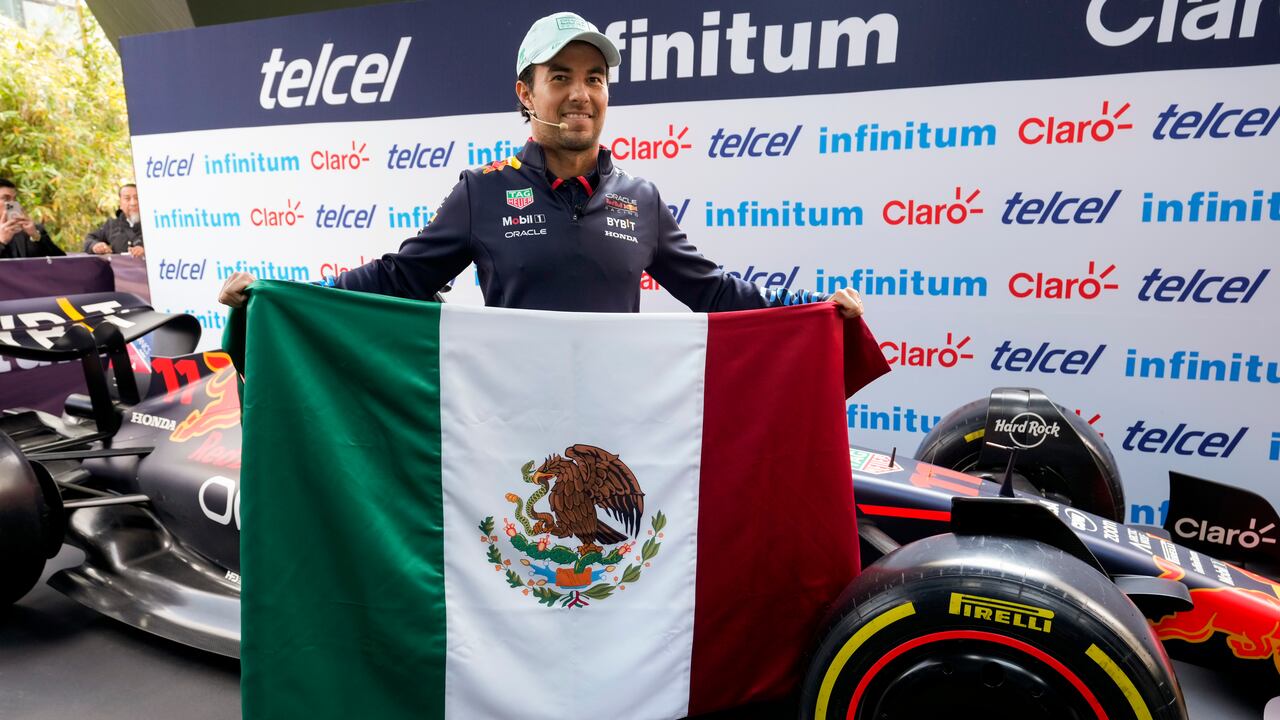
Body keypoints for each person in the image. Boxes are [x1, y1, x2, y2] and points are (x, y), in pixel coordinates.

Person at [220, 11, 862, 319]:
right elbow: (399, 278)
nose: (581, 93)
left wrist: (812, 308)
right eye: (560, 77)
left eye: (595, 77)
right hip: (511, 426)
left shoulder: (640, 197)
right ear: (526, 94)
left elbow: (713, 293)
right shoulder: (482, 192)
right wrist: (283, 296)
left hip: (621, 422)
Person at [0, 178, 65, 259]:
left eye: (14, 199)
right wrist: (1, 242)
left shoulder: (33, 230)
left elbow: (62, 261)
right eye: (6, 199)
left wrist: (36, 236)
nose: (12, 204)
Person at [84, 184, 145, 258]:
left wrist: (146, 250)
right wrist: (95, 246)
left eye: (137, 198)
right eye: (127, 199)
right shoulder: (112, 224)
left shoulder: (156, 223)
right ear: (120, 203)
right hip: (119, 268)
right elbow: (90, 238)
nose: (133, 203)